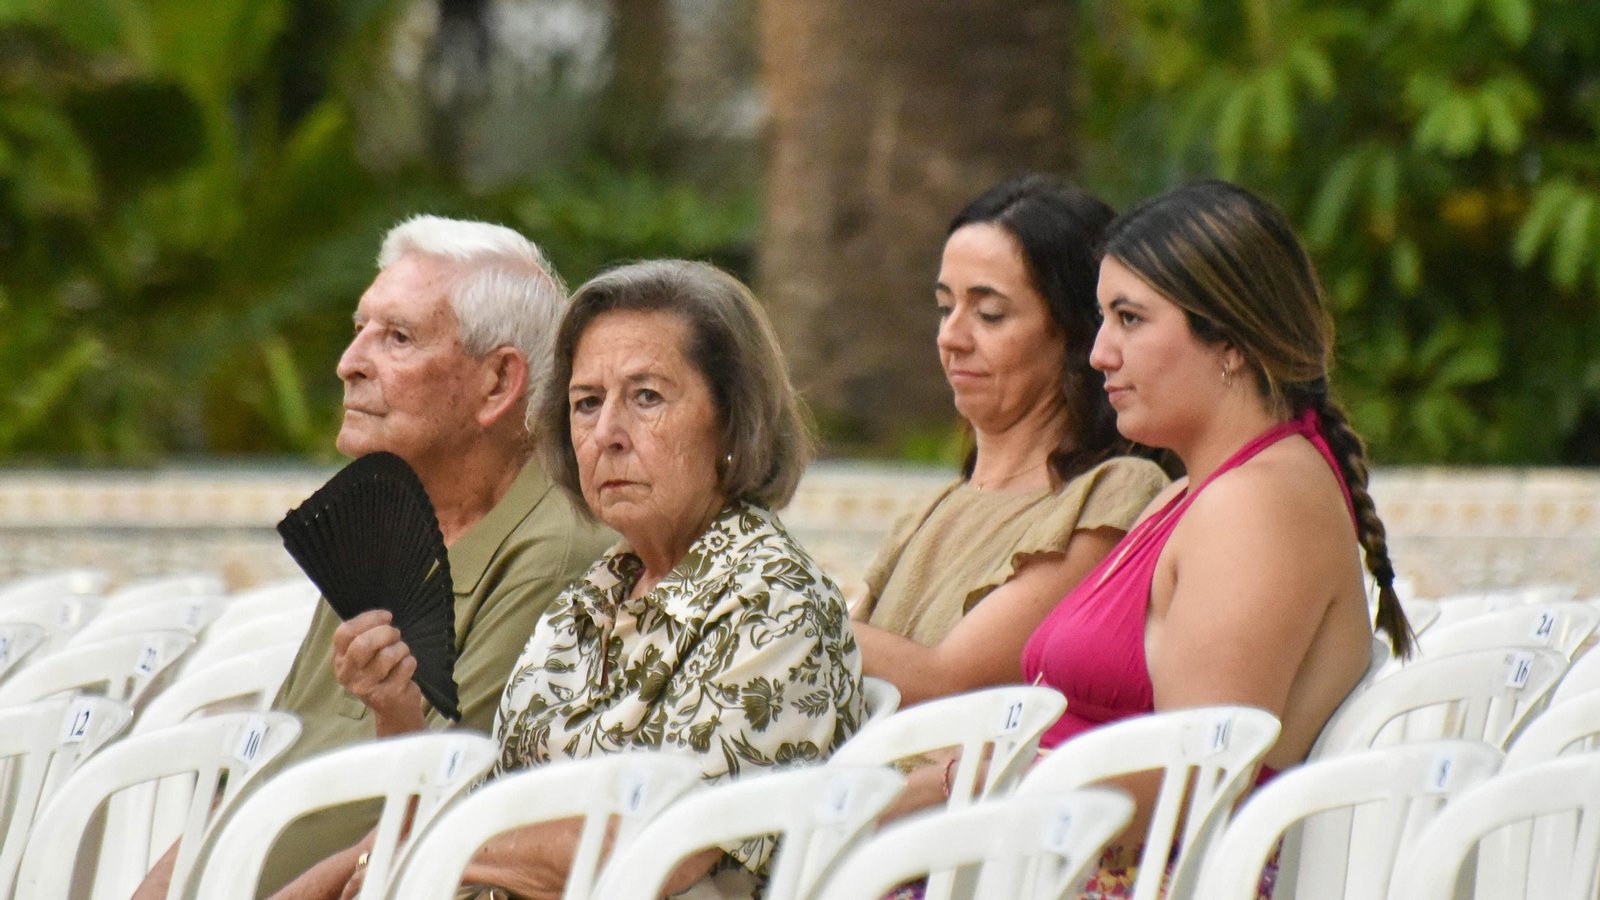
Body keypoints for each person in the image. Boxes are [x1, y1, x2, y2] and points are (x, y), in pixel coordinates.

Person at [273, 260, 864, 900]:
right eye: (586, 404)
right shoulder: (597, 593)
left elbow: (657, 846)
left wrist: (426, 854)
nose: (606, 434)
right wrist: (397, 713)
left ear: (732, 419)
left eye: (646, 397)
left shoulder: (772, 601)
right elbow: (465, 802)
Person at [131, 215, 616, 900]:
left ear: (498, 383)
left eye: (397, 338)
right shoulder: (385, 521)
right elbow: (266, 765)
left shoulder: (555, 549)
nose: (349, 362)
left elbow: (434, 814)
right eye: (360, 329)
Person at [1018, 180, 1415, 896]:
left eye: (1130, 319)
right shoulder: (1201, 492)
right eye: (1103, 319)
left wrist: (979, 787)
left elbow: (1199, 770)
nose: (1099, 353)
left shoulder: (1253, 507)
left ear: (1230, 341)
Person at [850, 176, 1168, 707]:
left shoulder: (1113, 492)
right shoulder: (933, 510)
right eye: (945, 307)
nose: (951, 337)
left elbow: (949, 684)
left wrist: (770, 608)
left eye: (989, 314)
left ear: (1076, 334)